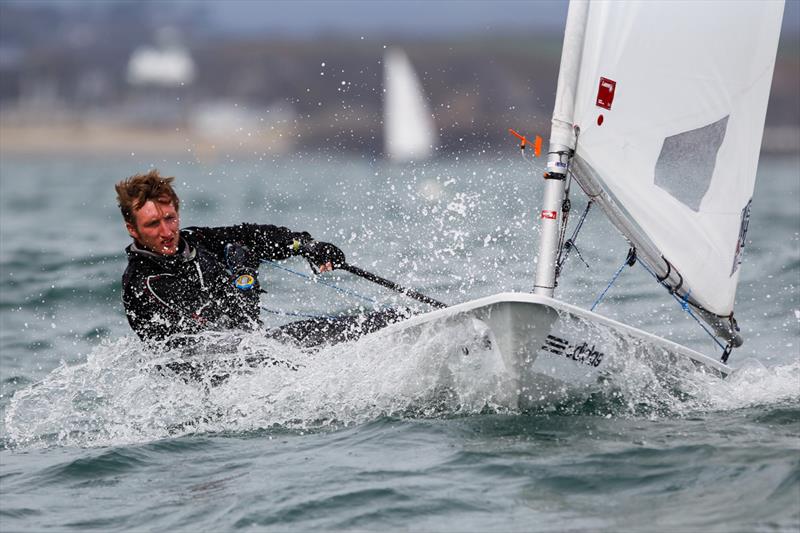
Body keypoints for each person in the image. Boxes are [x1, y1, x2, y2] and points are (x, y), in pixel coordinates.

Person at [116, 170, 407, 352]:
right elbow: (215, 334)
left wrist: (305, 245)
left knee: (391, 319)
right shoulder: (144, 282)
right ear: (133, 229)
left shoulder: (194, 241)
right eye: (153, 224)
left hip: (260, 349)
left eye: (170, 219)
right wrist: (244, 276)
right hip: (220, 373)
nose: (167, 232)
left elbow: (251, 235)